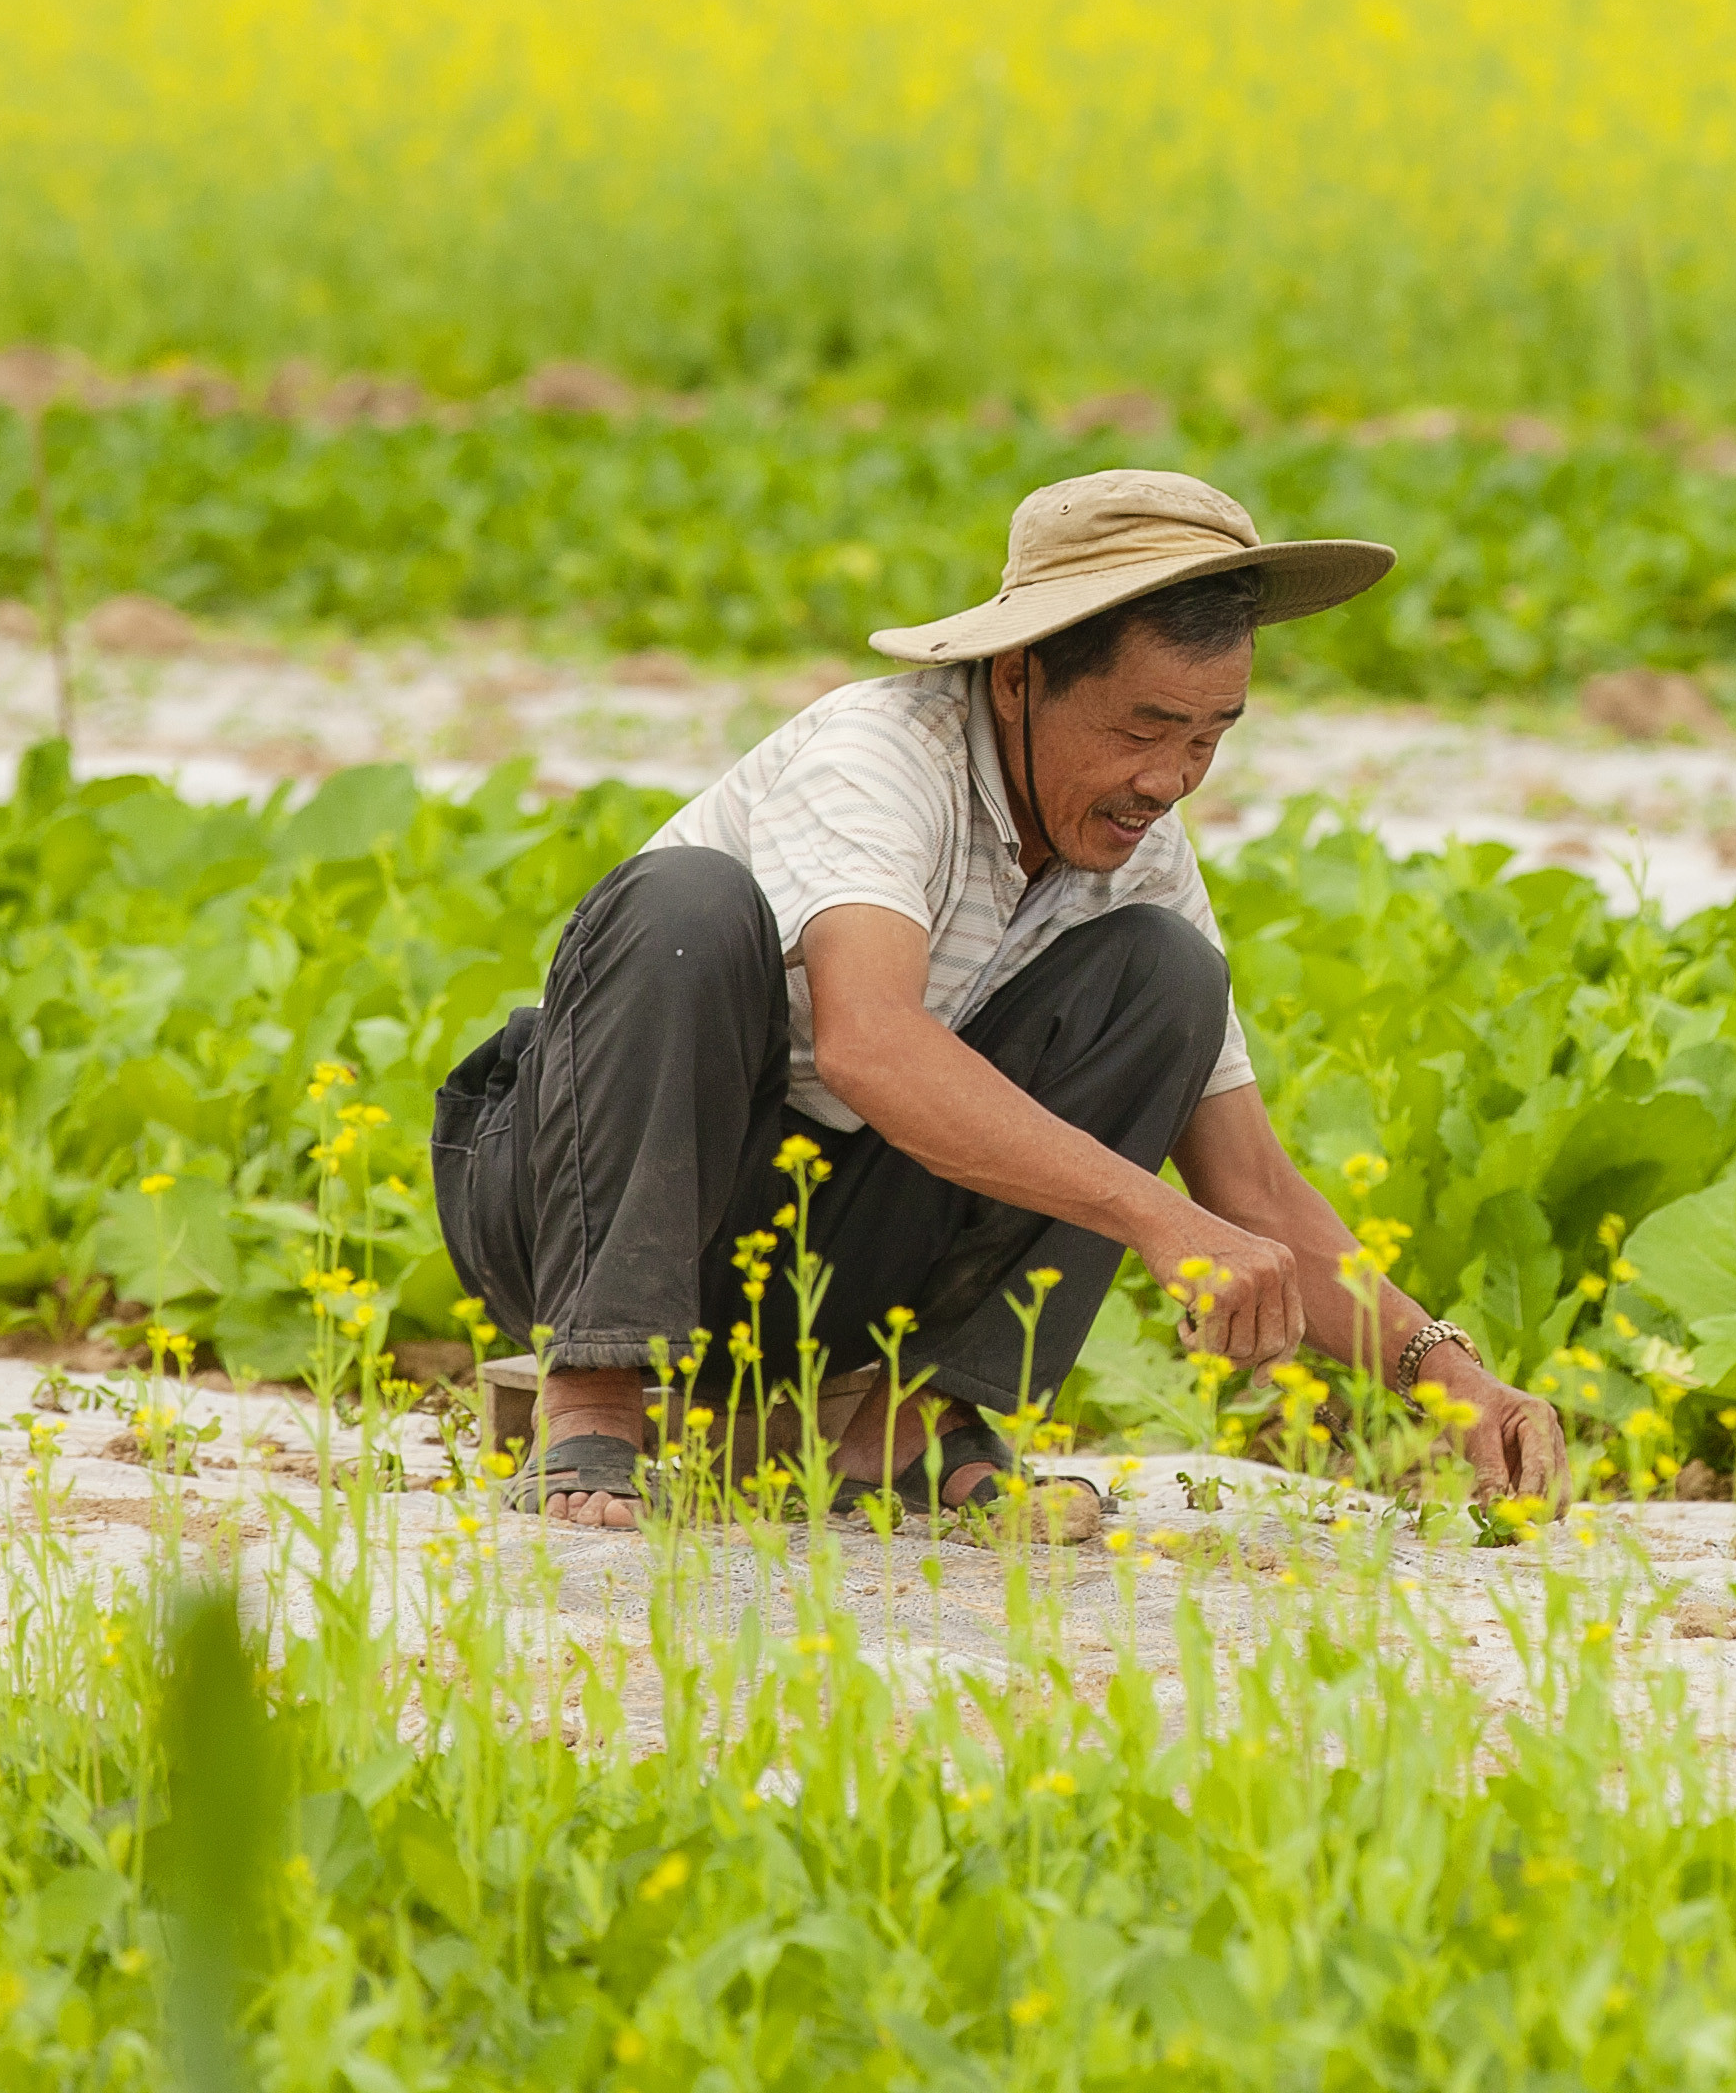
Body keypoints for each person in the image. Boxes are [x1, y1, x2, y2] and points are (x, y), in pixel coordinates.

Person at [427, 468, 1569, 1528]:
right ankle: (593, 1401)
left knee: (1166, 974)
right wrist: (1157, 1219)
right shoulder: (879, 756)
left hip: (810, 1260)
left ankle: (909, 1430)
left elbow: (1252, 1183)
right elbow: (871, 1046)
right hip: (585, 1204)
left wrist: (1456, 1381)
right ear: (1018, 676)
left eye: (1211, 736)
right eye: (1143, 729)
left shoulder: (1140, 852)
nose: (1170, 780)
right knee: (685, 905)